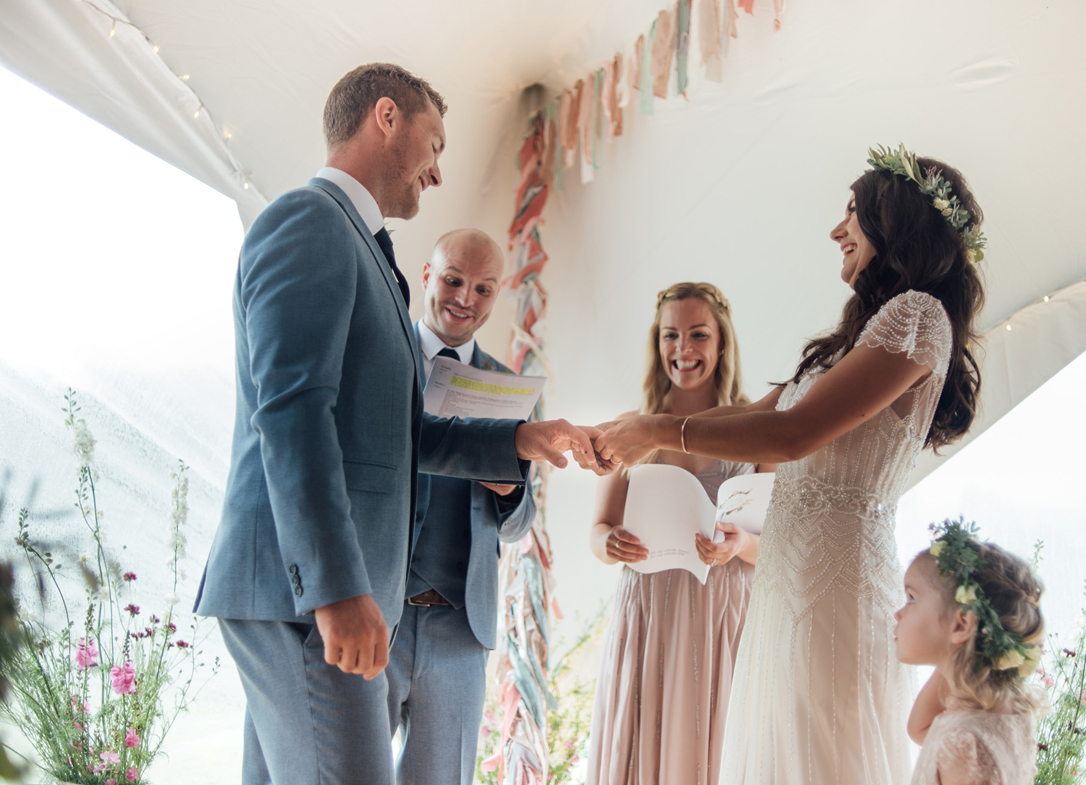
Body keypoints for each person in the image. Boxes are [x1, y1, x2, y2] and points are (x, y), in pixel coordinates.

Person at [193, 63, 598, 785]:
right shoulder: (309, 220)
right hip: (307, 599)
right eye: (435, 144)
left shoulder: (364, 249)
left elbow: (398, 436)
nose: (438, 172)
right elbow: (289, 412)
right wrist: (337, 590)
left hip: (324, 599)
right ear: (387, 117)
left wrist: (518, 439)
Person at [594, 145, 987, 784]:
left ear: (895, 224)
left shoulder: (917, 317)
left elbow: (793, 434)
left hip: (837, 579)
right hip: (790, 577)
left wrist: (659, 429)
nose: (837, 230)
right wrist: (625, 430)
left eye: (852, 214)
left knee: (824, 751)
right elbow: (752, 412)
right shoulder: (866, 330)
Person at [585, 282, 774, 785]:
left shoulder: (757, 424)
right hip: (650, 611)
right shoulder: (630, 427)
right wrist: (609, 544)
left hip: (721, 614)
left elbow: (772, 545)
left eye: (697, 334)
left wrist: (739, 544)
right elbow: (598, 531)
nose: (683, 349)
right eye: (671, 335)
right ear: (657, 343)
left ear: (721, 343)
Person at [384, 228, 537, 784]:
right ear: (427, 276)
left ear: (498, 295)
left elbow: (520, 524)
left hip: (460, 630)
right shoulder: (384, 357)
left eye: (483, 288)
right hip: (379, 615)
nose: (464, 299)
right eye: (453, 280)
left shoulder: (511, 390)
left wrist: (511, 490)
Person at [896, 519, 1044, 785]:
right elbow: (919, 728)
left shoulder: (962, 744)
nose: (898, 613)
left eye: (911, 598)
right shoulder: (1010, 714)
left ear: (961, 623)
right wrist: (955, 652)